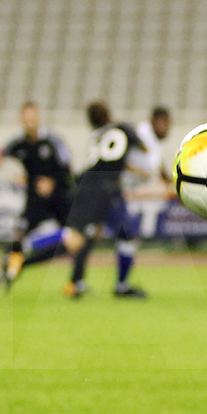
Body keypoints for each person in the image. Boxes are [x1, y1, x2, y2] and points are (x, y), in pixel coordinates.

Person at [0, 101, 73, 293]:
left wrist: (52, 182)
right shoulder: (19, 142)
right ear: (22, 120)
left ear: (38, 118)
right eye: (26, 119)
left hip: (59, 199)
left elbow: (67, 170)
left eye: (33, 118)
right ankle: (5, 271)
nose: (30, 123)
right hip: (35, 202)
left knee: (74, 239)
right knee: (18, 237)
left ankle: (75, 281)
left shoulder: (53, 141)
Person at [60, 101, 142, 299]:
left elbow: (106, 160)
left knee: (86, 235)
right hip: (105, 190)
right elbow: (141, 147)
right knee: (126, 235)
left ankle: (76, 282)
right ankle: (121, 286)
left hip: (85, 185)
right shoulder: (123, 129)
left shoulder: (96, 137)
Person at [109, 104, 171, 298]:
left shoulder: (153, 140)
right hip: (111, 190)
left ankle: (121, 285)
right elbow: (120, 156)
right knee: (83, 235)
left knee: (126, 237)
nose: (167, 128)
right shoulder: (141, 134)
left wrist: (170, 181)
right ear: (155, 121)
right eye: (165, 123)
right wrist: (138, 173)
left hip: (122, 194)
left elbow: (157, 165)